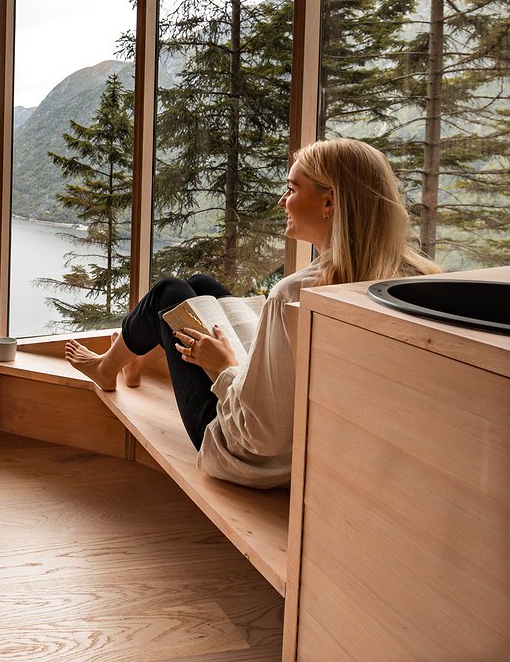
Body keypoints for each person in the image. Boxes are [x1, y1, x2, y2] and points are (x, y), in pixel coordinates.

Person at [65, 139, 441, 488]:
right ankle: (137, 358)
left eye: (292, 189)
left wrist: (222, 367)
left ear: (330, 203)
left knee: (171, 292)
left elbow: (261, 435)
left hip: (250, 458)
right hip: (318, 450)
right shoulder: (414, 281)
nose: (282, 201)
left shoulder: (294, 293)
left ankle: (107, 368)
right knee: (202, 284)